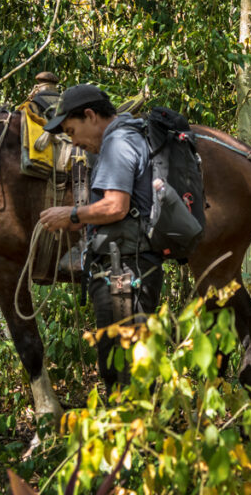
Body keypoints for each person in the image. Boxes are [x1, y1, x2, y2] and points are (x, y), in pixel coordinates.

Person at [38, 84, 163, 391]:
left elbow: (116, 206)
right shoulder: (126, 137)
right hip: (128, 266)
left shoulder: (117, 142)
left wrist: (70, 215)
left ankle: (130, 435)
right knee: (126, 366)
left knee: (123, 371)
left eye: (73, 131)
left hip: (125, 272)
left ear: (91, 116)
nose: (75, 142)